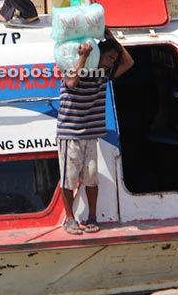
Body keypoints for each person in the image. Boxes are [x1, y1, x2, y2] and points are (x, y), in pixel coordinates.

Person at [56, 29, 134, 235]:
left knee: (91, 178)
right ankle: (70, 219)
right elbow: (72, 83)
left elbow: (129, 63)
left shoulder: (103, 75)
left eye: (112, 60)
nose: (110, 63)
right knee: (68, 179)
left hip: (90, 133)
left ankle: (92, 216)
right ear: (98, 55)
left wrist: (112, 39)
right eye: (108, 58)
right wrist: (83, 56)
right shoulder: (74, 69)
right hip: (70, 133)